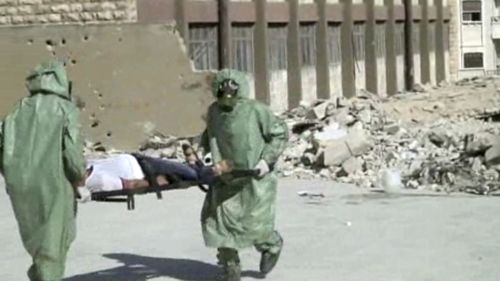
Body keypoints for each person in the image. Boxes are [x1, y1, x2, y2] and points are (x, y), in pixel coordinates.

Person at [0, 60, 86, 281]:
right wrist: (80, 179)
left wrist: (12, 177)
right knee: (54, 244)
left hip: (20, 186)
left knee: (37, 241)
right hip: (54, 184)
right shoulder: (65, 109)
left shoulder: (16, 111)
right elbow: (72, 153)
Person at [200, 69, 289, 281]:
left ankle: (271, 246)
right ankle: (231, 267)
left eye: (232, 94)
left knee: (255, 226)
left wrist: (266, 160)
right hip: (225, 177)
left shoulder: (256, 111)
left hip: (254, 179)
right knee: (218, 223)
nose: (227, 100)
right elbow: (209, 135)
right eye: (223, 95)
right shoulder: (214, 111)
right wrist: (207, 158)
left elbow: (279, 133)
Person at [81, 150, 233, 194]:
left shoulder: (85, 166)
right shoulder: (99, 180)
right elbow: (132, 184)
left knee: (186, 170)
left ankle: (197, 165)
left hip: (139, 160)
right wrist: (155, 183)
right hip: (145, 169)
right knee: (193, 175)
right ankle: (214, 171)